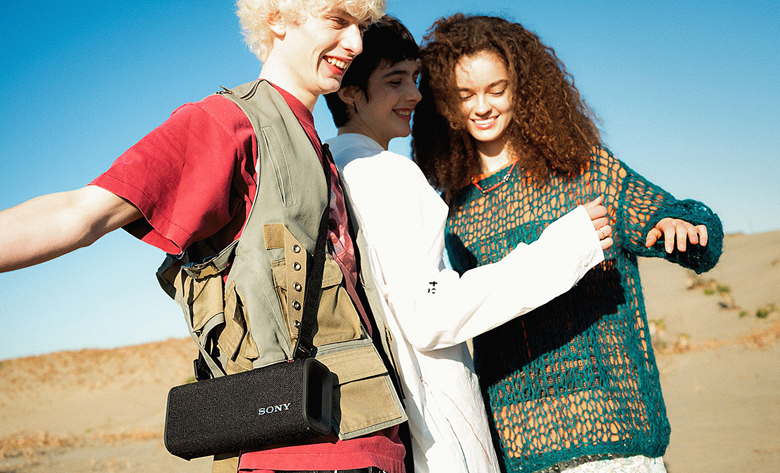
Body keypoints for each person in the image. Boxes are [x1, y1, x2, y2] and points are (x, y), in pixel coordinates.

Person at [0, 1, 415, 472]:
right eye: (338, 21)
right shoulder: (228, 123)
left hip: (369, 437)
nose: (356, 43)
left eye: (361, 26)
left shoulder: (314, 144)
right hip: (299, 450)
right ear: (277, 17)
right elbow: (81, 213)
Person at [411, 13, 724, 473]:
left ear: (522, 89)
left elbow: (673, 220)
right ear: (445, 103)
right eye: (466, 94)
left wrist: (683, 226)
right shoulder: (452, 209)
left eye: (496, 90)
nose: (482, 106)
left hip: (614, 430)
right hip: (517, 442)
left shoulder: (583, 170)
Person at [324, 16, 614, 473]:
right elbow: (429, 313)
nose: (415, 94)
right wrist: (562, 250)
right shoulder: (387, 173)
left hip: (375, 423)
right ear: (349, 92)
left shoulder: (326, 169)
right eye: (395, 81)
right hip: (436, 423)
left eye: (415, 78)